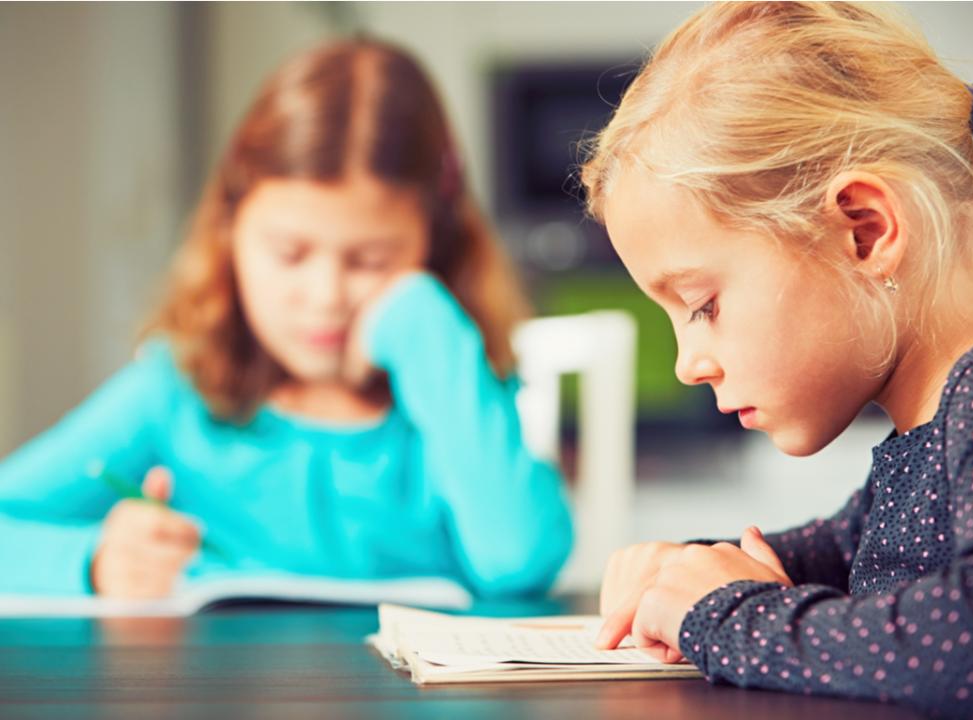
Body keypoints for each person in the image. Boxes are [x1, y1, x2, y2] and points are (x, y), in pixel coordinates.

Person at [0, 38, 572, 600]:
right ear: (231, 232)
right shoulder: (176, 392)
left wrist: (424, 326)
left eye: (371, 260)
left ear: (434, 245)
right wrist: (94, 561)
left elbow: (516, 561)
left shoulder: (450, 389)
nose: (325, 297)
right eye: (290, 255)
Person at [581, 2, 973, 717]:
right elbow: (840, 554)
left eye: (703, 305)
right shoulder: (941, 422)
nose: (689, 364)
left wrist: (725, 614)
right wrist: (688, 568)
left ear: (864, 231)